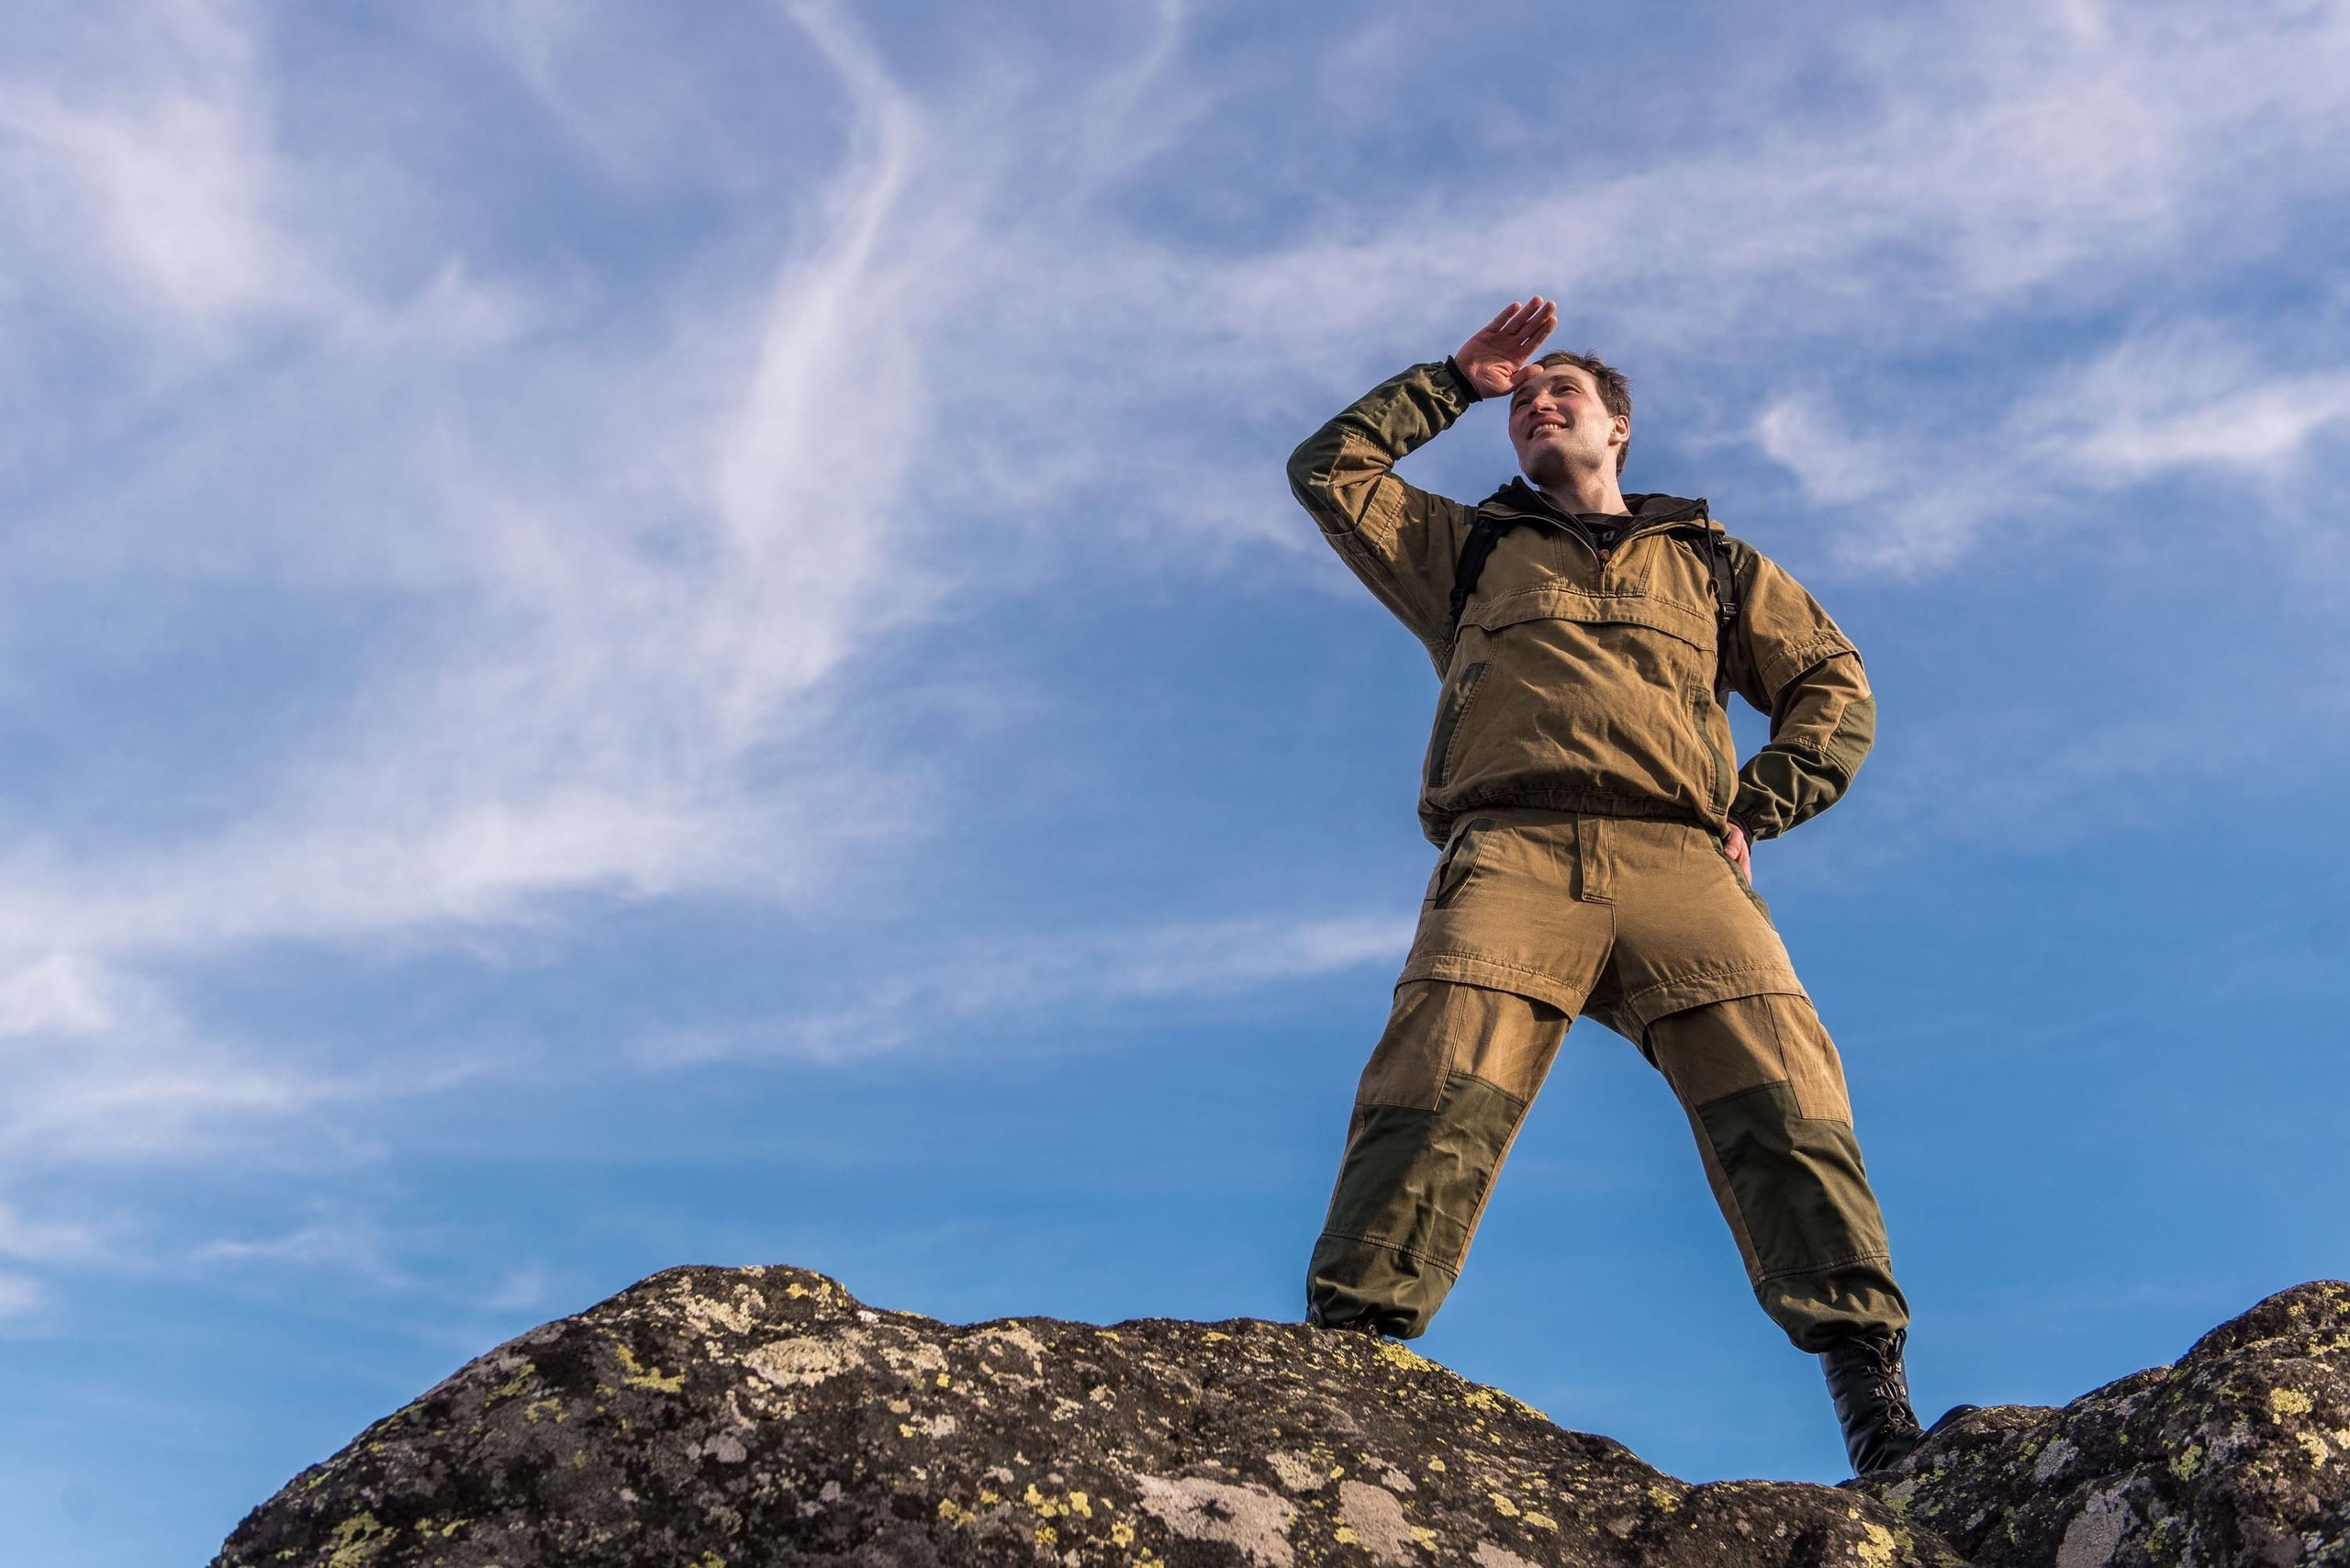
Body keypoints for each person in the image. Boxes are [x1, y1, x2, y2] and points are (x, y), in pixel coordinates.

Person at [1288, 297, 1935, 1475]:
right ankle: (1349, 1362)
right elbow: (1331, 469)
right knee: (1432, 1089)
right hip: (1515, 853)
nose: (1540, 406)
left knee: (1787, 1099)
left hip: (1680, 863)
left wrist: (1756, 804)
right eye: (1525, 400)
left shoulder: (1708, 558)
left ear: (1617, 428)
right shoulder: (1470, 548)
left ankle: (1873, 1397)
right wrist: (1452, 380)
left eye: (1563, 392)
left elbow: (1834, 685)